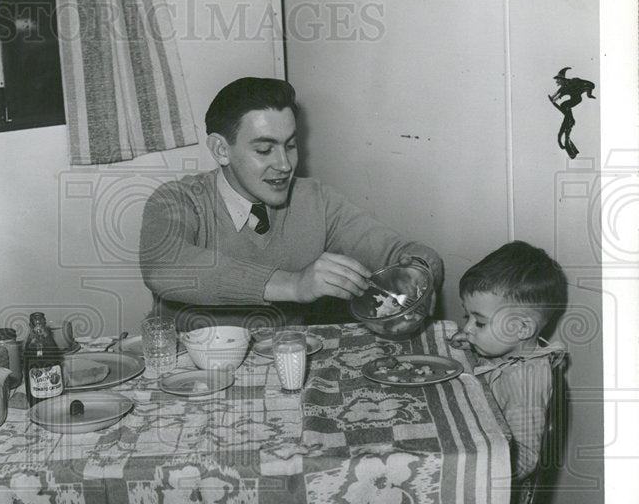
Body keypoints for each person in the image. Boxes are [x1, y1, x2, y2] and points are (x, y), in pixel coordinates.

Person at [139, 77, 444, 329]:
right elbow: (164, 266)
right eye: (264, 150)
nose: (285, 165)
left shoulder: (315, 200)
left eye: (291, 145)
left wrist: (419, 273)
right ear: (221, 150)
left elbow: (404, 253)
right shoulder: (177, 199)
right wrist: (294, 285)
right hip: (189, 372)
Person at [451, 241, 568, 482]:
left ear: (522, 328)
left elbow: (524, 460)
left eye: (480, 322)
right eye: (467, 316)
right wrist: (473, 347)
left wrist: (471, 471)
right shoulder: (509, 348)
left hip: (488, 474)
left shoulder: (524, 385)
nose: (467, 328)